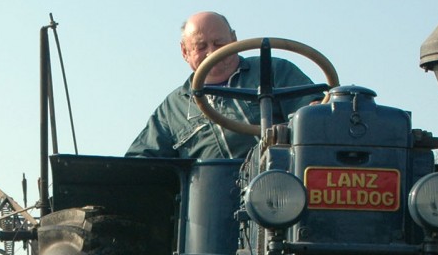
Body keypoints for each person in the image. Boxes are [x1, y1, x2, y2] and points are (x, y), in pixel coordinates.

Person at [126, 11, 318, 159]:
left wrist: (315, 111)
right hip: (212, 203)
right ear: (185, 51)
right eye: (201, 47)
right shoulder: (172, 109)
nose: (212, 53)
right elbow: (141, 160)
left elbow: (316, 114)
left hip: (285, 192)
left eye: (219, 43)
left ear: (234, 39)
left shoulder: (274, 70)